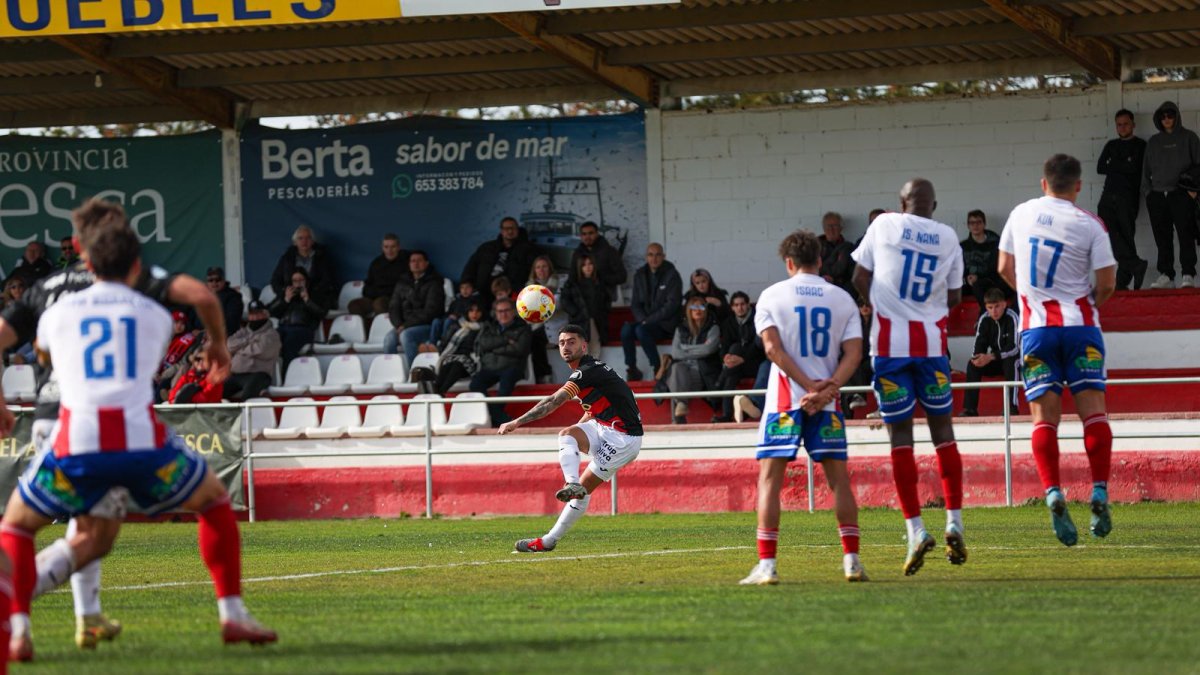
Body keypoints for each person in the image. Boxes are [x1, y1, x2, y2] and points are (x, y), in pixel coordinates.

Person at [0, 219, 275, 662]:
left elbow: (45, 353)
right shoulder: (154, 312)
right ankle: (232, 612)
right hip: (142, 445)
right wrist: (218, 347)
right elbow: (179, 322)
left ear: (86, 258)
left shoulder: (55, 313)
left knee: (15, 525)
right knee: (212, 501)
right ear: (135, 265)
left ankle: (18, 629)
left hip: (76, 440)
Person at [998, 153, 1118, 547]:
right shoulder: (1090, 224)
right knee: (1093, 414)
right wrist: (1089, 305)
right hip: (1081, 328)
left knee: (1043, 421)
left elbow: (1003, 267)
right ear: (1078, 186)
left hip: (1037, 332)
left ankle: (1052, 491)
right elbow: (1107, 282)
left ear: (1043, 182)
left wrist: (1030, 298)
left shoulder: (1020, 214)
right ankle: (1099, 489)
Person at [851, 177, 968, 577]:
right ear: (933, 205)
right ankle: (954, 521)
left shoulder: (883, 224)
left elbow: (859, 277)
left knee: (901, 439)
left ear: (902, 203)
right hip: (932, 349)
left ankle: (916, 530)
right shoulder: (949, 237)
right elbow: (954, 297)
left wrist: (882, 302)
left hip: (888, 349)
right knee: (944, 434)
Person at [740, 230, 866, 585]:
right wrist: (827, 390)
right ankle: (852, 561)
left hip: (784, 402)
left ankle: (767, 567)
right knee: (839, 482)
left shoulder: (771, 296)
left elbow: (772, 350)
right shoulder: (841, 298)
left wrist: (806, 387)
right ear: (820, 260)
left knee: (770, 481)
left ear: (789, 262)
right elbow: (854, 353)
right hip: (827, 403)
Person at [504, 324, 643, 553]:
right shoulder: (589, 372)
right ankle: (572, 484)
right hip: (603, 426)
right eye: (561, 343)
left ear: (584, 345)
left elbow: (553, 401)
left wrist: (517, 421)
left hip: (624, 439)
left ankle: (548, 540)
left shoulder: (586, 371)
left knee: (583, 492)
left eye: (571, 341)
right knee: (567, 434)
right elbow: (595, 407)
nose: (566, 346)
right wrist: (581, 429)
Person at [1143, 100, 1200, 289]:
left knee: (1186, 234)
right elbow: (1145, 170)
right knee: (1162, 237)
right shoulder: (1153, 142)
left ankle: (1188, 274)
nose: (1167, 119)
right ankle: (1166, 274)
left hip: (1181, 194)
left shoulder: (1189, 138)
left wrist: (1194, 192)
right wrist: (1148, 192)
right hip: (1158, 195)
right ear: (1159, 119)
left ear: (1176, 116)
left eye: (1170, 114)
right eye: (1163, 116)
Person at [1097, 109, 1149, 290]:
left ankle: (1123, 280)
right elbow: (1101, 167)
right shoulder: (1111, 145)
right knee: (1109, 235)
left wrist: (1116, 164)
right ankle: (1135, 264)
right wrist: (1124, 163)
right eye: (1119, 124)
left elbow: (1135, 168)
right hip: (1107, 196)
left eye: (1126, 123)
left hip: (1127, 197)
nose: (1122, 127)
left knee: (1126, 236)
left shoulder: (1141, 145)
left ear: (1133, 124)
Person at [622, 243, 682, 381]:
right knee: (626, 330)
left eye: (657, 254)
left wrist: (647, 321)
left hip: (665, 324)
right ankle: (632, 369)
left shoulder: (672, 274)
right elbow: (635, 304)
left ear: (663, 256)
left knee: (641, 331)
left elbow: (672, 305)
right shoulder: (640, 274)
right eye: (650, 254)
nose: (654, 258)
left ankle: (657, 367)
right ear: (646, 257)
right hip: (645, 322)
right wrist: (643, 319)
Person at [470, 296, 532, 427]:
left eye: (506, 310)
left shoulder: (523, 327)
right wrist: (506, 341)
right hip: (490, 367)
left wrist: (494, 349)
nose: (503, 314)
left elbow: (519, 349)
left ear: (513, 312)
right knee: (475, 385)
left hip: (512, 366)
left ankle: (496, 416)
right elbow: (483, 344)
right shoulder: (489, 326)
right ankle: (501, 417)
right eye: (500, 311)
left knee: (506, 382)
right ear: (495, 313)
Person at [960, 288, 1020, 418]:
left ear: (1004, 304)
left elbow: (1014, 348)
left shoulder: (1012, 317)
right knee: (973, 364)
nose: (994, 311)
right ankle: (970, 409)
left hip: (1015, 360)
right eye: (990, 307)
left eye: (997, 306)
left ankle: (1012, 407)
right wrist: (979, 358)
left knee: (1011, 362)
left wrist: (991, 356)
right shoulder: (984, 319)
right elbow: (978, 346)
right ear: (986, 307)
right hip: (995, 360)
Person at [666, 291, 721, 424]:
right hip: (683, 371)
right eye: (694, 307)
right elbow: (675, 353)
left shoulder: (713, 328)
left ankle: (678, 417)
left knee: (675, 378)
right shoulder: (680, 329)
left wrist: (685, 349)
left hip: (703, 372)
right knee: (677, 369)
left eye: (701, 307)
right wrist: (698, 350)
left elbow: (708, 349)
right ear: (688, 311)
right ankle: (681, 407)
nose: (698, 310)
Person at [384, 250, 446, 367]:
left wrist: (405, 326)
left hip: (426, 325)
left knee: (406, 335)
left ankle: (416, 372)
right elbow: (393, 307)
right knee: (389, 339)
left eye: (419, 261)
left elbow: (432, 311)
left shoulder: (435, 282)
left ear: (426, 263)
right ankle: (393, 372)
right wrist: (398, 325)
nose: (416, 264)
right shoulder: (402, 282)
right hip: (403, 326)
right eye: (413, 261)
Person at [712, 291, 764, 423]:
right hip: (737, 364)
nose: (739, 308)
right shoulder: (729, 322)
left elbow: (757, 347)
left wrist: (743, 359)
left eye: (742, 304)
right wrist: (726, 358)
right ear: (732, 307)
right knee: (733, 361)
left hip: (755, 362)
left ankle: (719, 386)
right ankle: (728, 414)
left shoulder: (757, 320)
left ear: (748, 305)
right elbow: (725, 345)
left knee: (735, 354)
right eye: (736, 305)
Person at [460, 216, 537, 295]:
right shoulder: (486, 248)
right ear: (501, 231)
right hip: (483, 291)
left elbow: (535, 271)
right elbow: (471, 266)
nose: (510, 231)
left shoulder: (529, 250)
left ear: (518, 230)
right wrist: (467, 282)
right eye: (507, 228)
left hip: (511, 292)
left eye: (513, 228)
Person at [269, 224, 338, 310]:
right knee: (270, 310)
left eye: (308, 238)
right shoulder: (287, 258)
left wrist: (310, 293)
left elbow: (328, 281)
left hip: (315, 298)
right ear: (295, 242)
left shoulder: (322, 257)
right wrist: (285, 292)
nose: (304, 241)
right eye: (300, 238)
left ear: (313, 241)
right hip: (291, 297)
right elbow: (275, 280)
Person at [223, 300, 281, 401]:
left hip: (259, 374)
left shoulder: (272, 334)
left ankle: (246, 416)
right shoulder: (244, 331)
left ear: (265, 314)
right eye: (252, 314)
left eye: (258, 314)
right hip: (236, 374)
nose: (254, 318)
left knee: (248, 395)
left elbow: (261, 350)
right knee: (216, 391)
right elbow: (229, 344)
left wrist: (239, 349)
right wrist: (249, 340)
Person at [269, 267, 325, 366]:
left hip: (303, 329)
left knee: (290, 341)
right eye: (295, 281)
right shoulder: (286, 294)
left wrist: (307, 301)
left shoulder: (314, 293)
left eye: (301, 280)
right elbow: (271, 311)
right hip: (283, 327)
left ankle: (288, 372)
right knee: (270, 337)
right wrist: (285, 300)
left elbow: (321, 313)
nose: (298, 283)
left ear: (306, 281)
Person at [428, 301, 485, 396]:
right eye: (471, 311)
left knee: (457, 365)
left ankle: (439, 391)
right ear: (467, 312)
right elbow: (445, 344)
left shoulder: (485, 328)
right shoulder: (457, 326)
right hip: (454, 357)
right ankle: (437, 390)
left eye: (478, 311)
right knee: (448, 364)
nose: (474, 314)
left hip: (473, 360)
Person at [559, 253, 611, 357]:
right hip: (579, 321)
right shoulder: (572, 283)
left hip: (595, 321)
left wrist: (603, 313)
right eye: (584, 265)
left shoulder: (599, 282)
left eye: (590, 264)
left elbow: (606, 300)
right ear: (580, 267)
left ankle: (593, 372)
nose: (587, 267)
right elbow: (564, 300)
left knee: (595, 350)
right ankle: (584, 373)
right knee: (581, 352)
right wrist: (576, 313)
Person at [349, 233, 407, 318]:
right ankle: (365, 330)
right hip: (374, 297)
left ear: (398, 247)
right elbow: (368, 284)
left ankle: (382, 329)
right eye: (386, 247)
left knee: (379, 303)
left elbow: (403, 287)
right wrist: (371, 293)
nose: (389, 251)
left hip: (393, 299)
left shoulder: (405, 263)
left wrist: (381, 292)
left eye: (393, 247)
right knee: (354, 305)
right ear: (382, 248)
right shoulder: (376, 263)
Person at [960, 210, 1011, 308]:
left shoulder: (995, 244)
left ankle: (986, 314)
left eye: (979, 222)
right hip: (969, 283)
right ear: (968, 226)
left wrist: (978, 278)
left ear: (984, 224)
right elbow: (958, 269)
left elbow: (997, 268)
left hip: (990, 282)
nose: (975, 226)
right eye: (972, 223)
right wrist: (967, 278)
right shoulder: (963, 246)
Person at [527, 255, 561, 384]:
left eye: (544, 267)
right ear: (534, 270)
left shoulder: (560, 284)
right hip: (536, 326)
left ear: (550, 269)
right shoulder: (528, 288)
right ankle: (541, 375)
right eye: (538, 267)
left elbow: (558, 305)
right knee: (530, 338)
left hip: (557, 326)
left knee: (536, 337)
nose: (541, 270)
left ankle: (545, 375)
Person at [570, 221, 626, 295]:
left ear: (597, 234)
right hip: (582, 298)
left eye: (591, 233)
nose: (587, 237)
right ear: (581, 236)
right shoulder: (577, 253)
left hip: (606, 298)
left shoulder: (610, 252)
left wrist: (600, 279)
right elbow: (572, 277)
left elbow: (622, 276)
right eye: (584, 234)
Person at [429, 279, 480, 346]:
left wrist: (457, 316)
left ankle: (443, 343)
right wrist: (448, 316)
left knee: (449, 321)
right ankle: (432, 345)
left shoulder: (474, 301)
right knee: (436, 321)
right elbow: (448, 313)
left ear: (472, 289)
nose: (465, 290)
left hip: (461, 322)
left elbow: (470, 315)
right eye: (462, 288)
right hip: (450, 319)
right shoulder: (456, 301)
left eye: (467, 287)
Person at [819, 211, 855, 293]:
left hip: (841, 287)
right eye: (828, 226)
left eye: (835, 226)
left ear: (841, 228)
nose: (831, 229)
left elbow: (849, 271)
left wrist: (834, 280)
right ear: (824, 228)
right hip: (819, 287)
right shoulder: (815, 246)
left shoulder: (848, 247)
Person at [205, 266, 244, 338]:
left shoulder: (233, 296)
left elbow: (232, 321)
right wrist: (193, 329)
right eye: (211, 280)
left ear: (223, 280)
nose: (214, 282)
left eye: (218, 279)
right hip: (202, 334)